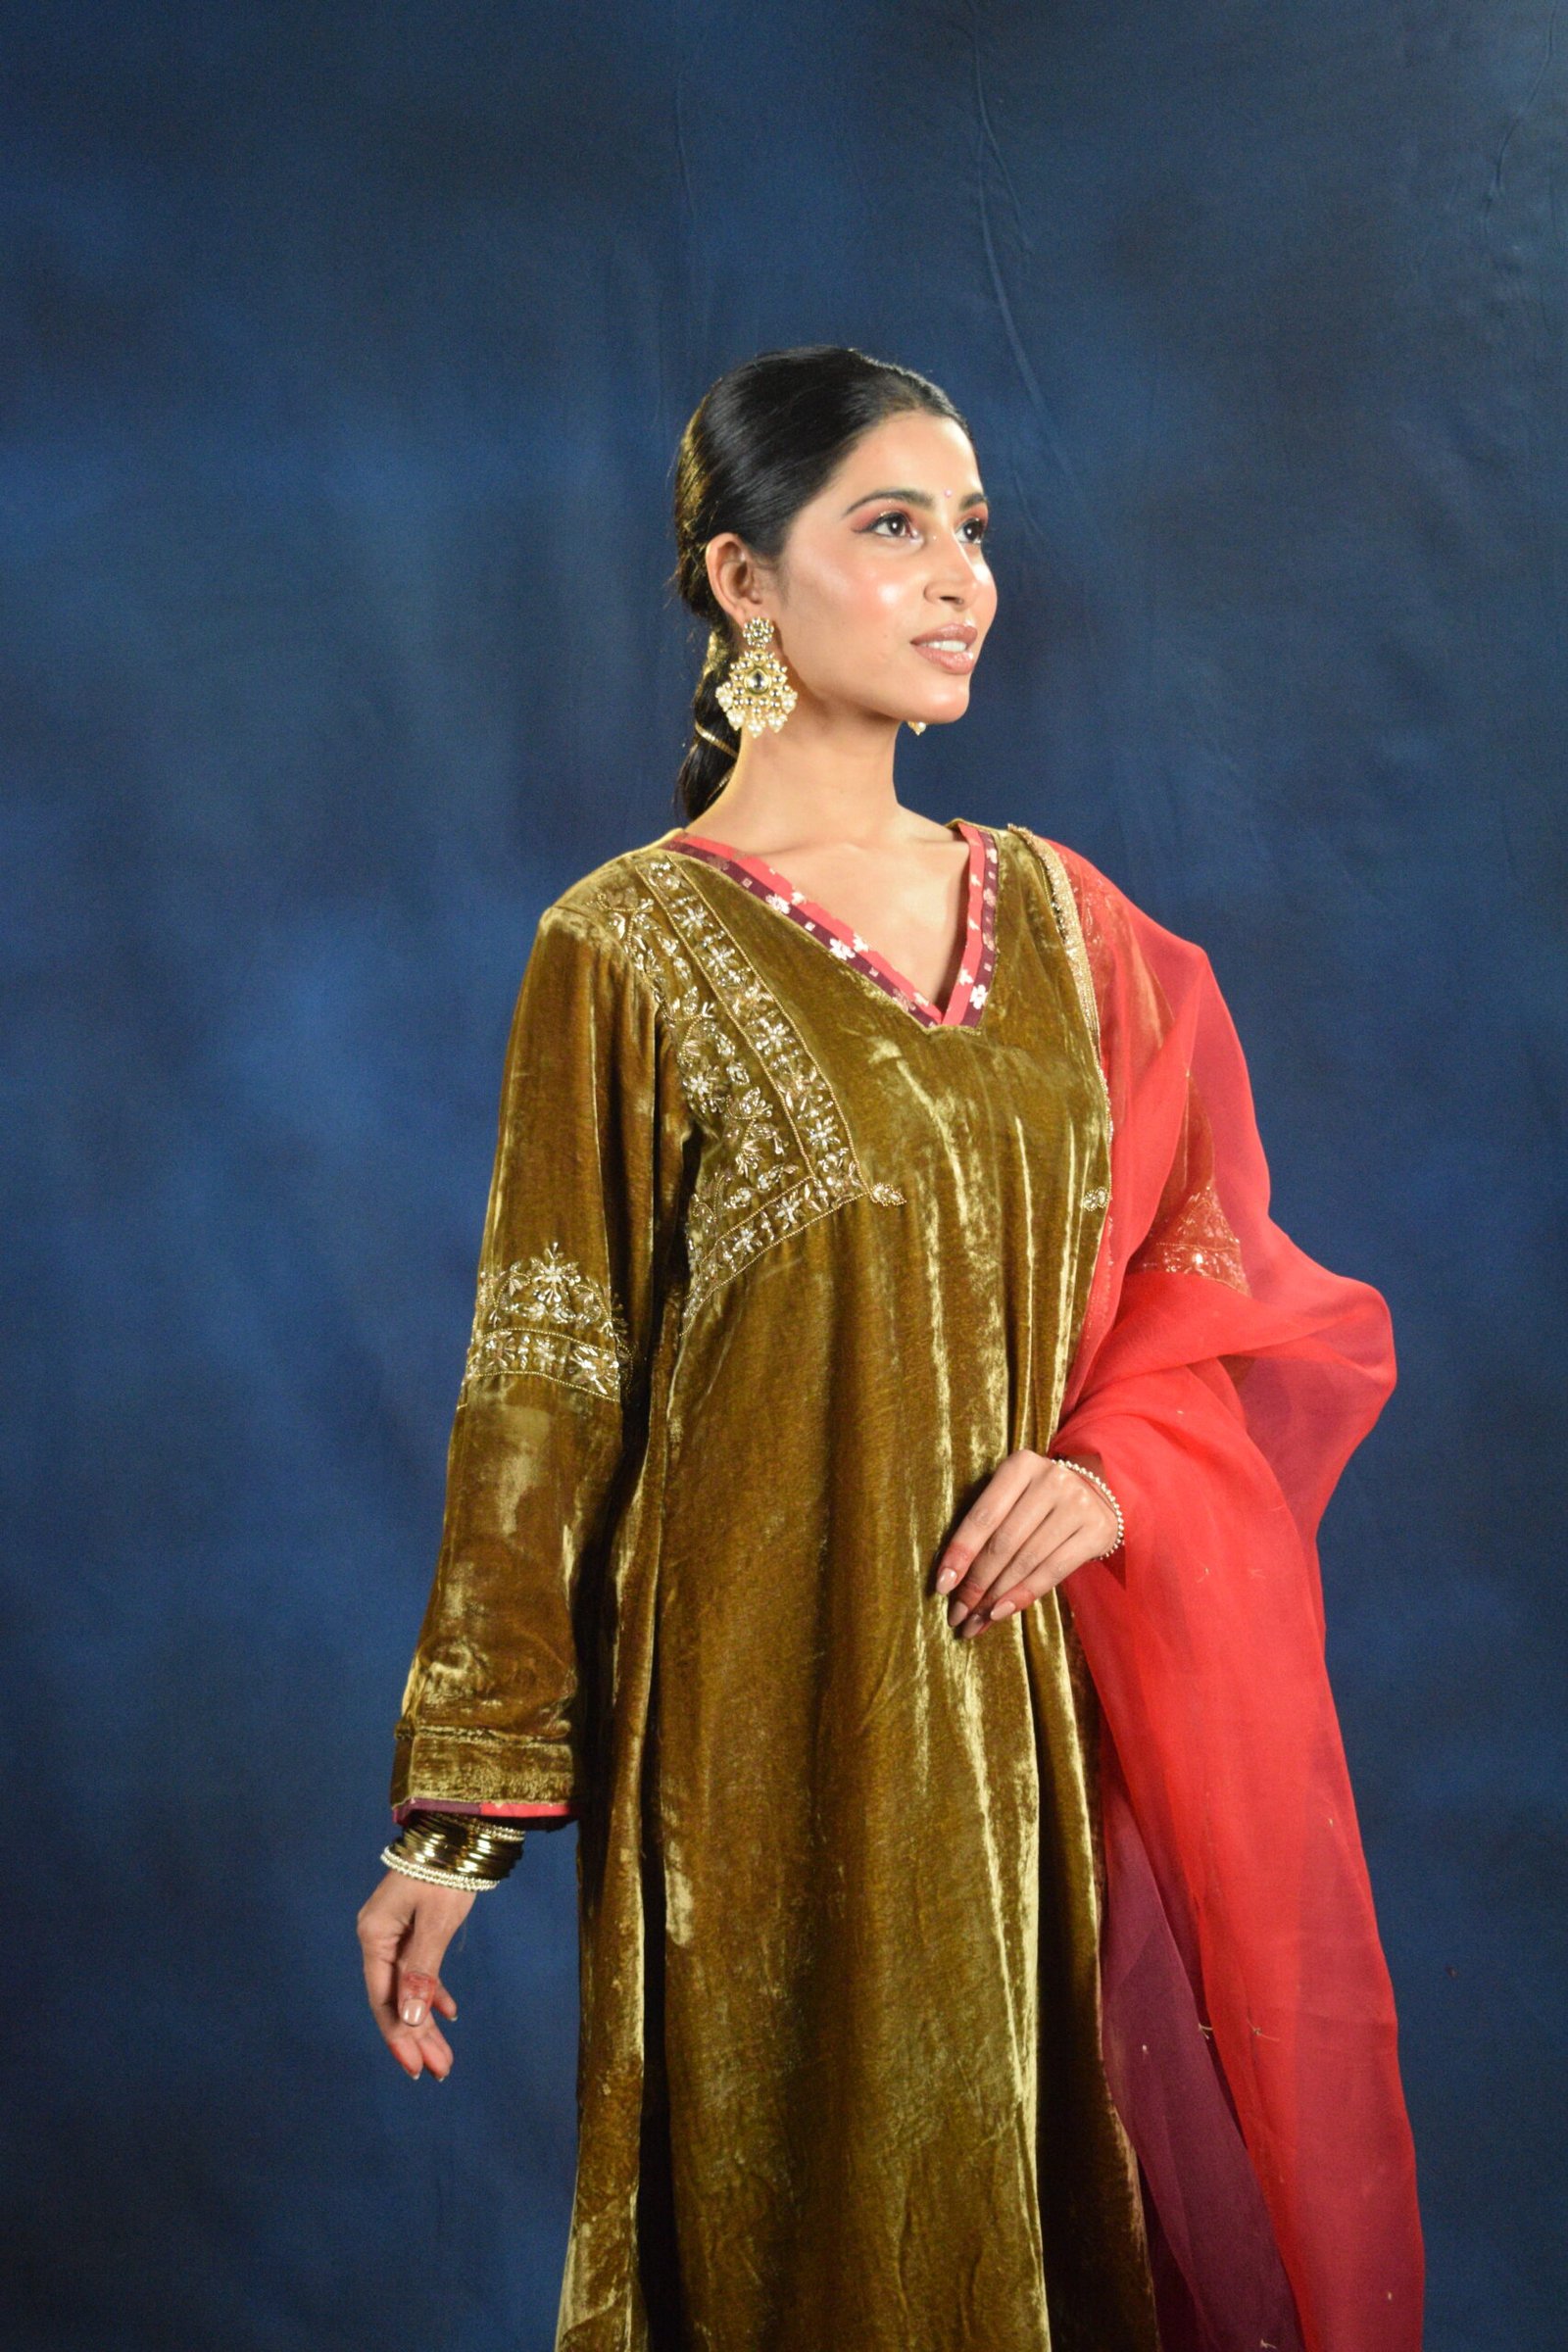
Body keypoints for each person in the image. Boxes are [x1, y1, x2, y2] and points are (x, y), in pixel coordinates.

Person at [357, 345, 1424, 2351]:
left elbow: (1220, 1293)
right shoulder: (626, 946)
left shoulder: (1079, 932)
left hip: (1046, 1737)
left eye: (973, 530)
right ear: (742, 581)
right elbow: (544, 1387)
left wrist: (1115, 1473)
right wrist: (456, 1822)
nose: (960, 578)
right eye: (893, 525)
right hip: (767, 1749)